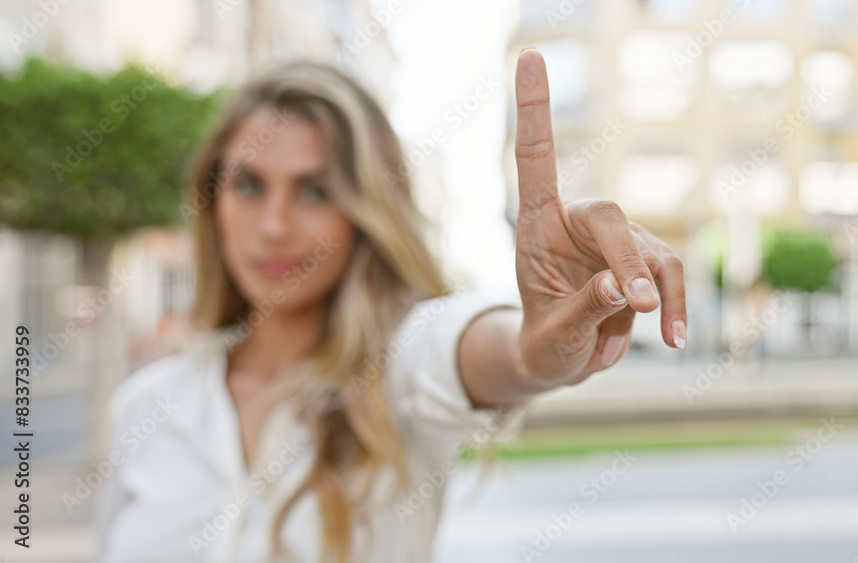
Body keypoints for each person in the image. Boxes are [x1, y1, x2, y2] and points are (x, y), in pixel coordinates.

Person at [94, 47, 687, 563]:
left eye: (314, 191)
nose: (274, 227)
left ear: (364, 214)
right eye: (249, 185)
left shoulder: (394, 375)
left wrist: (535, 348)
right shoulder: (147, 406)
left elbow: (469, 348)